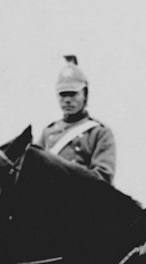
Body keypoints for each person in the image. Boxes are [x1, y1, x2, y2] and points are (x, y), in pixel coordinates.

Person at [37, 55, 117, 183]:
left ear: (85, 94)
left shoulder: (99, 133)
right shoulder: (48, 133)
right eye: (63, 94)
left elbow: (103, 178)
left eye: (73, 94)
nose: (67, 100)